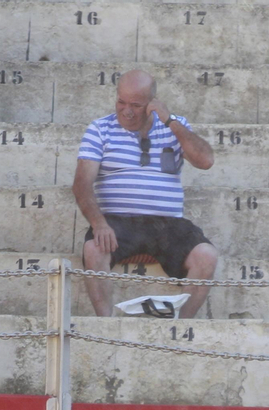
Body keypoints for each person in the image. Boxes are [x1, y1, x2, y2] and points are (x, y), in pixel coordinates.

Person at [74, 68, 217, 319]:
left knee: (206, 256)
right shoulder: (99, 129)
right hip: (117, 221)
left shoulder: (175, 126)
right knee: (93, 249)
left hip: (167, 223)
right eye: (121, 101)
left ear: (151, 103)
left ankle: (181, 326)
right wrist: (98, 224)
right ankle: (104, 324)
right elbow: (82, 185)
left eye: (136, 105)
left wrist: (170, 121)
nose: (126, 110)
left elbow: (205, 161)